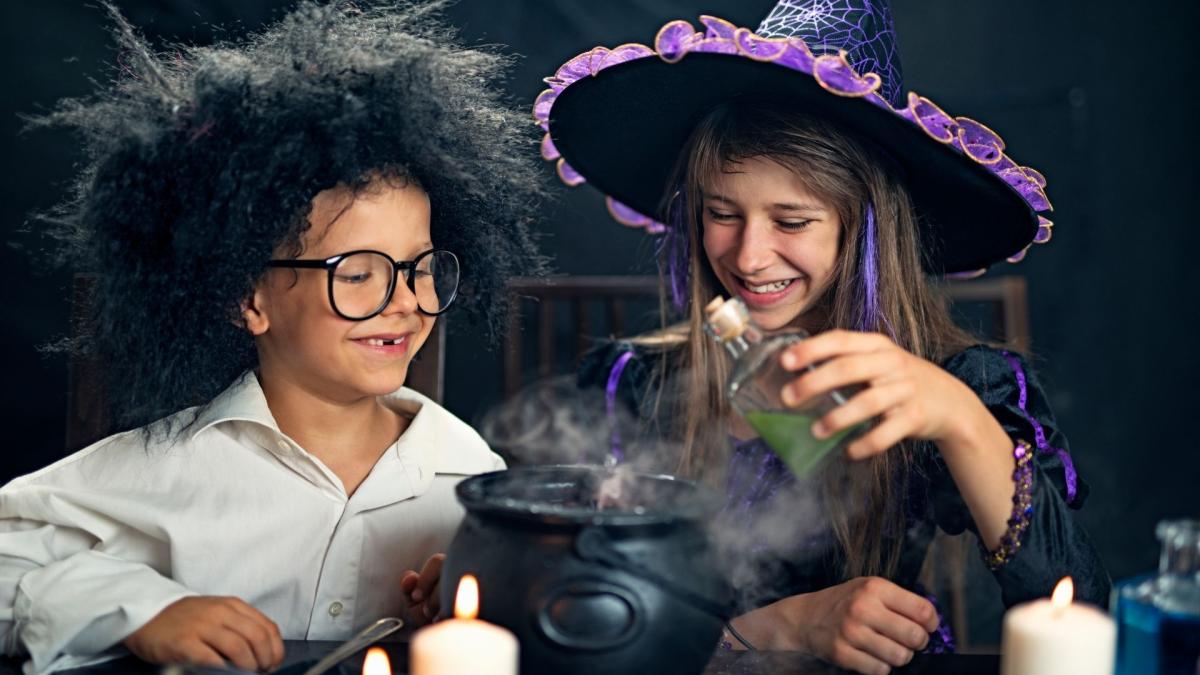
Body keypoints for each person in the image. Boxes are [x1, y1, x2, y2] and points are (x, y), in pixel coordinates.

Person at [534, 2, 1108, 673]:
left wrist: (959, 418)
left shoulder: (964, 385)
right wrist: (774, 627)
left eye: (791, 221)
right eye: (722, 213)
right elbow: (574, 615)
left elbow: (1078, 614)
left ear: (862, 228)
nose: (749, 257)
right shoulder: (632, 382)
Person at [0, 3, 544, 673]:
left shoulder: (470, 476)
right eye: (358, 274)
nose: (406, 301)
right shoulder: (160, 468)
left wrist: (474, 597)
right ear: (246, 298)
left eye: (421, 268)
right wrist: (138, 608)